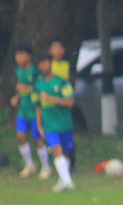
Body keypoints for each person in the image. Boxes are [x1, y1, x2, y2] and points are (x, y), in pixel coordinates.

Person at [34, 53, 76, 193]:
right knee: (56, 150)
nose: (42, 66)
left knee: (65, 153)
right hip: (49, 125)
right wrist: (39, 125)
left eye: (45, 62)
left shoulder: (62, 82)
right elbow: (38, 106)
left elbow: (70, 102)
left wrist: (52, 99)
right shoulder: (38, 84)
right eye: (40, 64)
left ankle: (63, 179)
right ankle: (68, 182)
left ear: (51, 63)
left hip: (64, 124)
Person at [10, 46, 51, 179]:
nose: (18, 58)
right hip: (23, 110)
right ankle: (30, 165)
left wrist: (26, 88)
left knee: (38, 139)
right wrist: (17, 97)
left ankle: (46, 167)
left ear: (28, 56)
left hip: (35, 110)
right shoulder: (18, 71)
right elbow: (21, 89)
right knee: (20, 136)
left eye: (21, 54)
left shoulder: (34, 70)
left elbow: (40, 86)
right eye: (17, 55)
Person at [48, 40, 76, 172]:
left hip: (63, 101)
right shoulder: (48, 66)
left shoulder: (66, 65)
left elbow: (66, 83)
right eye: (55, 48)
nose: (58, 50)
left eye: (60, 47)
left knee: (67, 138)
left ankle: (70, 165)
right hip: (50, 106)